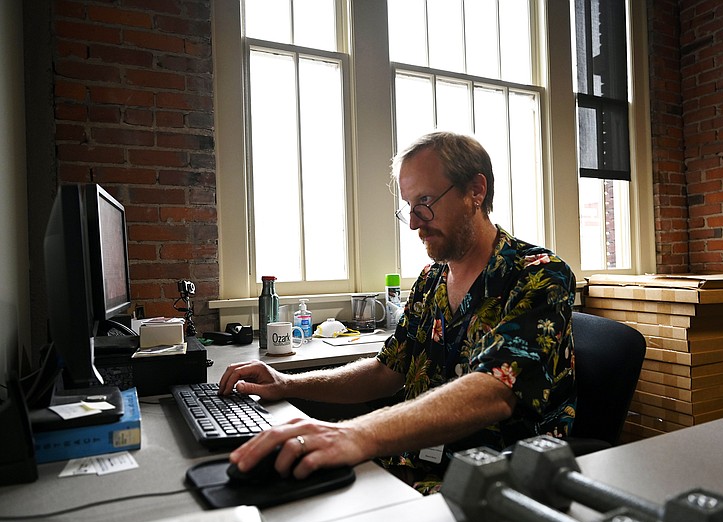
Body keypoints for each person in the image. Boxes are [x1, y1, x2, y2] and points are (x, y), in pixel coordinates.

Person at [218, 131, 576, 493]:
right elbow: (385, 371)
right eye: (409, 207)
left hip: (495, 486)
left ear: (475, 191)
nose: (415, 223)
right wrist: (287, 383)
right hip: (408, 470)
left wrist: (355, 433)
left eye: (425, 201)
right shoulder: (430, 280)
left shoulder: (539, 275)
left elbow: (493, 392)